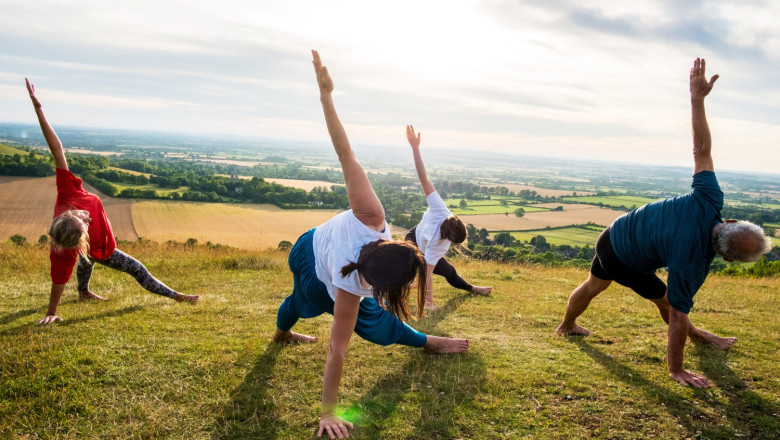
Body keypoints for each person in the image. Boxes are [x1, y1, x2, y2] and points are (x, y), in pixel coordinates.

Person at [273, 51, 469, 439]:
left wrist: (326, 96)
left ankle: (282, 332)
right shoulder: (351, 290)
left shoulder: (371, 216)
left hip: (307, 245)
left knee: (301, 302)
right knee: (346, 315)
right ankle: (427, 342)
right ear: (378, 288)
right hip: (314, 259)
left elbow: (346, 153)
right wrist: (328, 413)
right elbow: (336, 352)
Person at [555, 59, 771, 388]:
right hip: (623, 256)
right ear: (727, 258)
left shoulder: (709, 199)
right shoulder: (693, 263)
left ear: (731, 221)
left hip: (613, 231)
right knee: (668, 302)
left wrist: (696, 99)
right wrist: (677, 370)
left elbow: (701, 150)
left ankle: (567, 326)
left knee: (595, 285)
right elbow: (677, 316)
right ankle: (694, 340)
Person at [25, 78, 199, 325]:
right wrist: (51, 312)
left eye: (81, 217)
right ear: (79, 242)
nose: (88, 217)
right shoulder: (66, 252)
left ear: (66, 215)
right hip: (100, 249)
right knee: (136, 269)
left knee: (87, 263)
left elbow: (57, 150)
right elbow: (58, 280)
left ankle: (84, 292)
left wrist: (39, 109)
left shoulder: (66, 194)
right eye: (85, 226)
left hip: (92, 248)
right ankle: (178, 296)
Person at [404, 125, 492, 309]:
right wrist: (429, 303)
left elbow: (423, 178)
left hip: (418, 238)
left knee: (450, 272)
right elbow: (428, 273)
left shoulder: (441, 209)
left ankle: (473, 289)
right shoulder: (439, 240)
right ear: (450, 238)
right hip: (413, 240)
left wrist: (415, 148)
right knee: (414, 267)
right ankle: (404, 284)